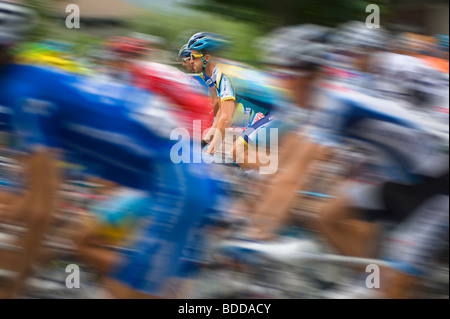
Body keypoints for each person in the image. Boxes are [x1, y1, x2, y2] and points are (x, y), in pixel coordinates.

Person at [0, 0, 220, 299]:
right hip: (169, 172)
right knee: (80, 245)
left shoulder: (21, 94)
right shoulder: (23, 82)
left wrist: (16, 282)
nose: (114, 61)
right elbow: (25, 200)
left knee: (123, 289)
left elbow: (42, 210)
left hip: (180, 178)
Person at [242, 21, 449, 299]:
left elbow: (295, 174)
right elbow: (282, 162)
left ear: (307, 77)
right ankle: (369, 282)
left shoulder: (336, 102)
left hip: (438, 184)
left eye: (284, 77)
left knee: (395, 287)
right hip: (403, 182)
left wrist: (260, 232)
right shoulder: (316, 104)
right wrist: (252, 217)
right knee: (328, 214)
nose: (280, 85)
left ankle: (385, 287)